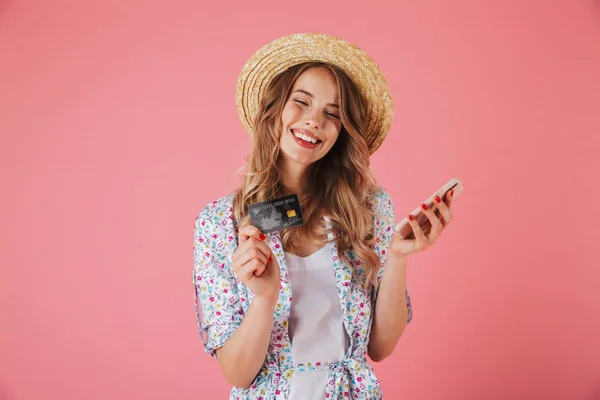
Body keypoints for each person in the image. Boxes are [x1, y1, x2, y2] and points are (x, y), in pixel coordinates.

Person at [193, 33, 456, 400]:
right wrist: (265, 296)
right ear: (274, 108)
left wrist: (396, 255)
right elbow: (237, 372)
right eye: (301, 102)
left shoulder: (368, 209)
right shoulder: (221, 223)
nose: (314, 121)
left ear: (342, 132)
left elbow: (379, 347)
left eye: (332, 114)